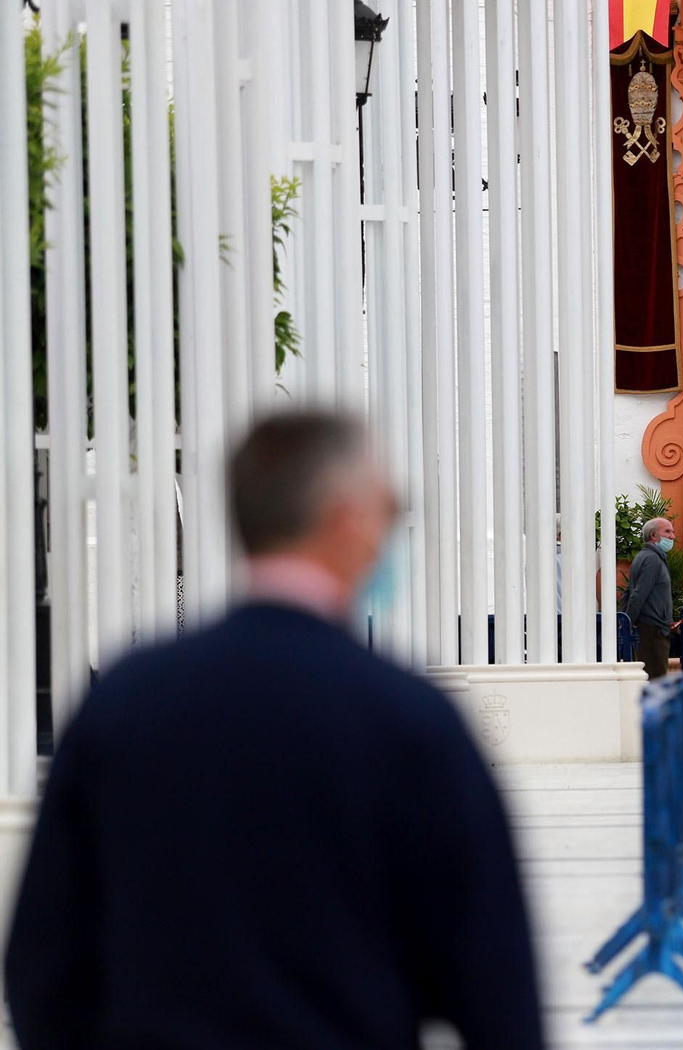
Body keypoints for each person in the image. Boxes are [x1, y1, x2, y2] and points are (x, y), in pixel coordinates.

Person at [4, 411, 544, 1048]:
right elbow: (494, 981)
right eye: (388, 508)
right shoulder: (408, 718)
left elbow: (43, 960)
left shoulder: (124, 701)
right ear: (345, 518)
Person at [621, 516, 676, 679]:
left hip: (653, 628)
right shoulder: (651, 559)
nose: (672, 536)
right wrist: (627, 622)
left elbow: (628, 592)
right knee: (656, 680)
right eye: (667, 531)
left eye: (672, 531)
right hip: (653, 629)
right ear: (653, 535)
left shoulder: (646, 557)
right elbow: (637, 594)